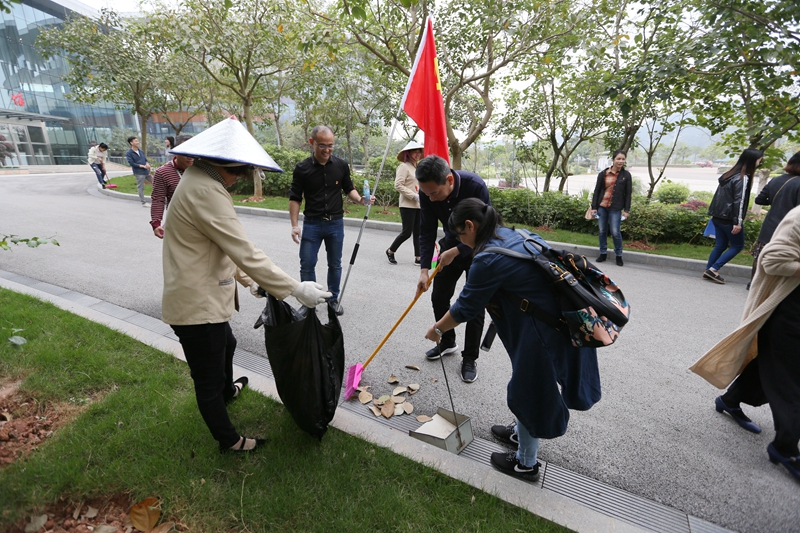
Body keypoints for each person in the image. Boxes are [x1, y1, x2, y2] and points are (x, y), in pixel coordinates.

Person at [164, 117, 331, 453]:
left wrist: (253, 283)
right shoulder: (205, 191)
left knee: (227, 344)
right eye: (239, 173)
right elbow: (244, 250)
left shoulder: (199, 180)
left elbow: (221, 246)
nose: (238, 181)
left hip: (201, 295)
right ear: (226, 165)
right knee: (207, 378)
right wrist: (296, 289)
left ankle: (228, 393)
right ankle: (230, 441)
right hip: (197, 306)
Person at [424, 198, 601, 480]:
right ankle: (521, 433)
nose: (460, 240)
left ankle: (525, 464)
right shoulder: (515, 234)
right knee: (527, 384)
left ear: (470, 226)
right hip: (557, 323)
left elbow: (465, 308)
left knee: (529, 392)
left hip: (543, 332)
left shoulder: (487, 259)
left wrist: (438, 328)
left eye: (460, 235)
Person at [691, 204, 800, 482]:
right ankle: (785, 447)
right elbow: (772, 260)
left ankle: (730, 399)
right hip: (788, 311)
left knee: (775, 364)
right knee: (791, 379)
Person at [416, 155, 489, 383]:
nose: (430, 198)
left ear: (448, 180)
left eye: (434, 194)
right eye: (426, 194)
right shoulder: (426, 190)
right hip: (449, 246)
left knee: (474, 305)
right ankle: (447, 341)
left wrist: (457, 251)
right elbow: (426, 230)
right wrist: (424, 269)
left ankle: (470, 358)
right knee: (439, 296)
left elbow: (485, 229)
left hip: (476, 248)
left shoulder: (475, 186)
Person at [288, 125, 373, 316]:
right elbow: (295, 197)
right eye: (322, 146)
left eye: (330, 146)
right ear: (312, 143)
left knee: (335, 264)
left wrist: (361, 199)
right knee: (307, 264)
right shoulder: (302, 168)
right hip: (312, 224)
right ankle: (308, 302)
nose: (327, 150)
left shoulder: (341, 166)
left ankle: (333, 299)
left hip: (335, 224)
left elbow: (348, 188)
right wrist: (294, 225)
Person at [703, 148, 763, 284]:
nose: (760, 162)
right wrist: (738, 222)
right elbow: (739, 201)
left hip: (717, 216)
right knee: (737, 246)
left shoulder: (728, 175)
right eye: (759, 160)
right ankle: (713, 269)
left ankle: (709, 270)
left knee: (720, 245)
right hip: (729, 219)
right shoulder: (742, 178)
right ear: (752, 160)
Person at [749, 151, 800, 282]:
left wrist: (775, 201)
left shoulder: (777, 179)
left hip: (769, 225)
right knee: (781, 259)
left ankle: (753, 283)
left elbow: (759, 200)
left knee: (761, 256)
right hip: (787, 229)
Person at [590, 150, 632, 266]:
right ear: (613, 160)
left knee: (615, 232)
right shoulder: (603, 173)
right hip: (602, 207)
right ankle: (603, 253)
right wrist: (594, 207)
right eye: (618, 159)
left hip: (616, 208)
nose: (621, 161)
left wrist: (626, 210)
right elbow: (597, 191)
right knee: (602, 231)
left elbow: (628, 194)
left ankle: (618, 255)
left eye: (623, 159)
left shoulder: (626, 175)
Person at [386, 140, 424, 265]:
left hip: (419, 204)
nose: (418, 154)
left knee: (418, 232)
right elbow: (398, 185)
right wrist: (413, 196)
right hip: (407, 204)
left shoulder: (417, 167)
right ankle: (391, 251)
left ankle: (418, 257)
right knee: (407, 232)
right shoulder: (404, 166)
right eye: (415, 151)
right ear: (408, 153)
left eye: (419, 151)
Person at [150, 134, 194, 238]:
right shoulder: (163, 172)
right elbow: (158, 199)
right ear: (176, 151)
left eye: (193, 151)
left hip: (202, 223)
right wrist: (156, 224)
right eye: (185, 152)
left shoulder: (201, 169)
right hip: (178, 223)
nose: (190, 157)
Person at [125, 136, 151, 207]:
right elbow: (131, 163)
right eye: (136, 141)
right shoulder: (129, 153)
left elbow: (145, 160)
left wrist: (147, 164)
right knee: (141, 187)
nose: (138, 142)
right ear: (131, 143)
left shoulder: (141, 151)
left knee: (156, 183)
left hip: (146, 171)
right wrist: (141, 166)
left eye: (137, 141)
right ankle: (143, 202)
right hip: (139, 172)